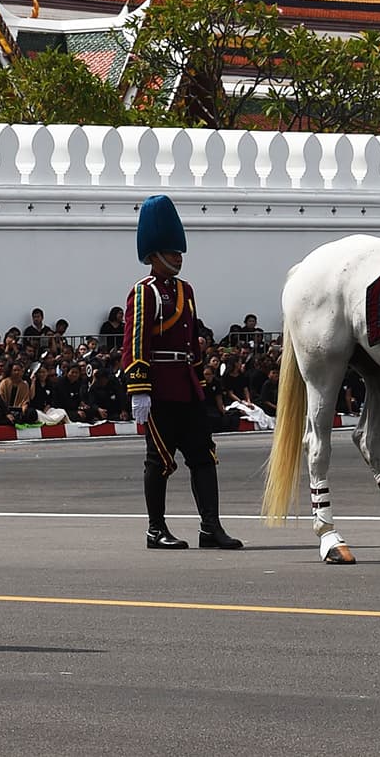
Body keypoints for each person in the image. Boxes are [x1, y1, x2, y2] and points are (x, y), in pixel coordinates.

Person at [122, 193, 242, 551]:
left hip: (186, 386)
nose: (179, 256)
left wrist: (199, 382)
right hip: (159, 387)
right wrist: (139, 387)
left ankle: (210, 527)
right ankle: (155, 529)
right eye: (172, 251)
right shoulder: (144, 293)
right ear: (154, 254)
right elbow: (135, 341)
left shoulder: (185, 291)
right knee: (158, 460)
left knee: (204, 457)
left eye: (179, 251)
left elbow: (190, 343)